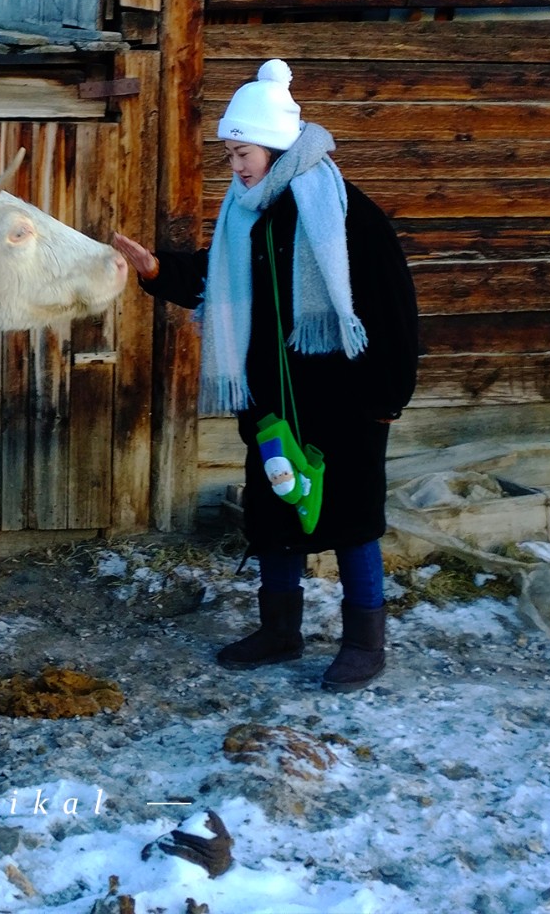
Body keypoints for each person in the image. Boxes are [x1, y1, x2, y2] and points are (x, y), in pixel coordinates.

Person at [112, 59, 418, 691]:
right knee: (276, 510)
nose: (235, 166)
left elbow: (393, 307)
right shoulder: (246, 216)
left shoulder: (345, 215)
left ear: (275, 145)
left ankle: (365, 641)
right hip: (276, 397)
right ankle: (280, 631)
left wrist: (388, 397)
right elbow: (212, 276)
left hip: (347, 398)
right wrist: (154, 273)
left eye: (241, 152)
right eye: (229, 154)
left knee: (352, 519)